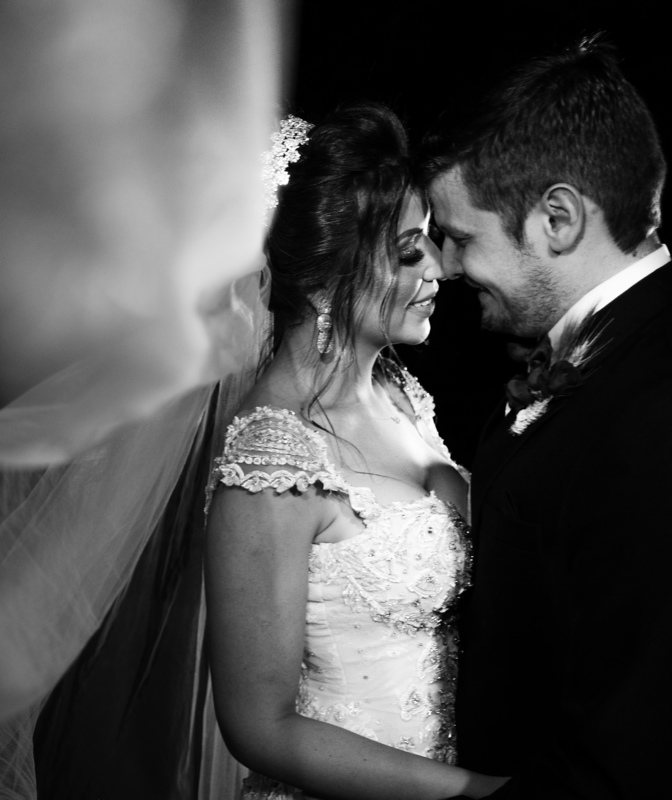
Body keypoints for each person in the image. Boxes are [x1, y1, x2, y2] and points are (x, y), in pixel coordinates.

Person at [205, 102, 509, 799]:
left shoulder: (400, 393)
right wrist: (469, 790)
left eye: (432, 242)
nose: (440, 269)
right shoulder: (274, 459)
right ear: (325, 276)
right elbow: (259, 726)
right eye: (408, 251)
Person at [423, 35, 670, 799]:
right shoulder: (607, 352)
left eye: (462, 238)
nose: (447, 269)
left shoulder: (650, 411)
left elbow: (627, 755)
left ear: (557, 219)